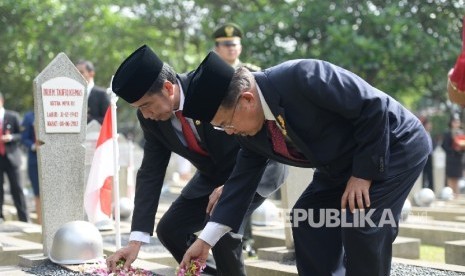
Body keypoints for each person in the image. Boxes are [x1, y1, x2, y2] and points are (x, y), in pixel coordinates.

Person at [181, 51, 432, 275]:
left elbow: (373, 107)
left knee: (362, 223)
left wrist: (363, 175)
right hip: (341, 164)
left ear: (247, 100)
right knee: (307, 217)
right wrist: (205, 241)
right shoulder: (251, 133)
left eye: (226, 123)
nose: (229, 132)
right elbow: (241, 181)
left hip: (393, 145)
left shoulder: (302, 76)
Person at [105, 45, 287, 275]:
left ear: (169, 88)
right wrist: (135, 241)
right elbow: (151, 172)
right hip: (211, 177)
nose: (146, 114)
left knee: (222, 228)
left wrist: (229, 189)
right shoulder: (151, 119)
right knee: (170, 229)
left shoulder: (209, 86)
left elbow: (252, 141)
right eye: (139, 110)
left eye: (146, 106)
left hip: (256, 166)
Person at [213, 22, 265, 256]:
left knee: (247, 188)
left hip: (249, 139)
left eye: (234, 44)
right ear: (217, 47)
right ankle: (217, 240)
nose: (231, 48)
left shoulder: (250, 70)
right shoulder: (211, 74)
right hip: (221, 139)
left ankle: (245, 240)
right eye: (226, 45)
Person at [0, 92, 28, 223]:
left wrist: (11, 137)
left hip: (11, 156)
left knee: (17, 188)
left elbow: (21, 135)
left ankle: (24, 218)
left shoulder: (12, 116)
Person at [75, 60, 110, 124]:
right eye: (76, 73)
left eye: (81, 72)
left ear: (91, 73)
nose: (78, 75)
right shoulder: (73, 94)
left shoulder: (102, 94)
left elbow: (108, 120)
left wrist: (87, 118)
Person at [21, 111, 41, 224]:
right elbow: (24, 138)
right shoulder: (29, 117)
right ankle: (40, 223)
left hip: (52, 158)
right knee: (37, 192)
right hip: (34, 159)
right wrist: (33, 146)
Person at [441, 113, 464, 196]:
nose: (456, 123)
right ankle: (451, 195)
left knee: (457, 179)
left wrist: (460, 149)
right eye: (454, 121)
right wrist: (453, 150)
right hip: (450, 159)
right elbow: (444, 146)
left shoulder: (462, 133)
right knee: (450, 178)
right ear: (451, 122)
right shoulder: (447, 133)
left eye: (457, 121)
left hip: (458, 159)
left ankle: (456, 195)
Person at [419, 115, 434, 191]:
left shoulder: (429, 133)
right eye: (429, 124)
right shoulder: (422, 132)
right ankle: (423, 187)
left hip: (430, 155)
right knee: (424, 172)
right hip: (424, 155)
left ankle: (431, 187)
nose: (430, 126)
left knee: (430, 172)